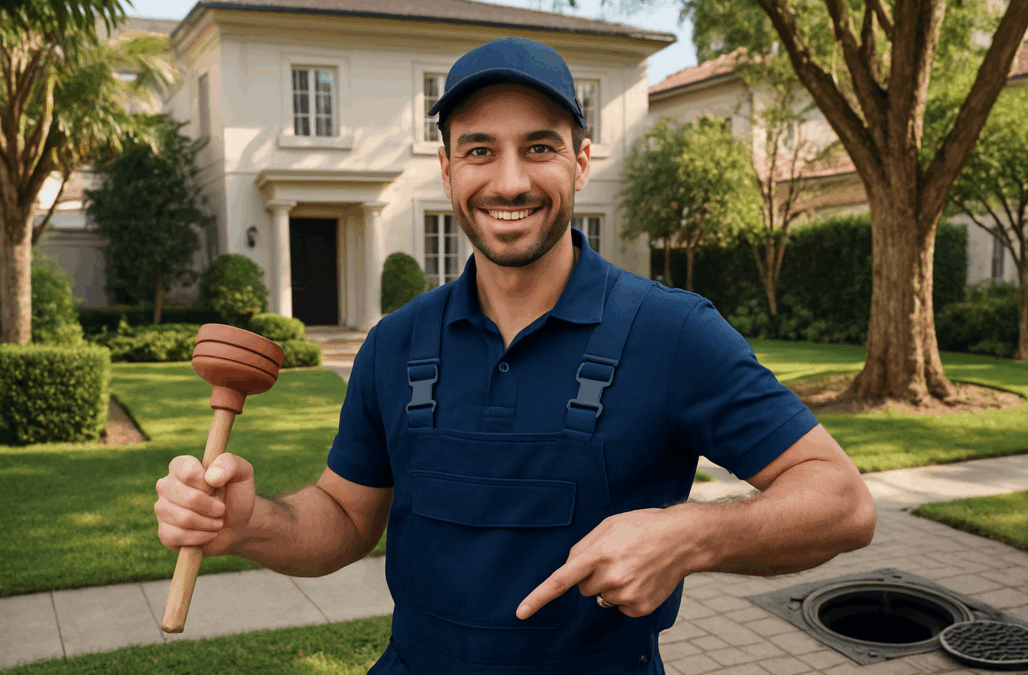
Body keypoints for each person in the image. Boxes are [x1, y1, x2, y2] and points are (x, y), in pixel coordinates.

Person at [154, 37, 877, 675]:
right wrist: (247, 523)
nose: (508, 181)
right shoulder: (395, 343)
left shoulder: (673, 331)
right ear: (445, 170)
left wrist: (692, 534)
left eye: (539, 146)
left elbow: (842, 502)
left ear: (581, 161)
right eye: (479, 150)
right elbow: (344, 517)